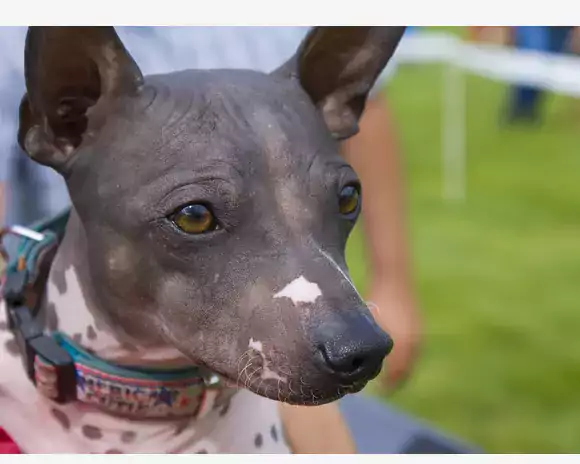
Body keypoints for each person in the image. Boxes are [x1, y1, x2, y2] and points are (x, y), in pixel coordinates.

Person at [0, 26, 423, 391]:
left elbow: (368, 124)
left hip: (236, 380)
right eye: (196, 217)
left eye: (343, 201)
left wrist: (392, 282)